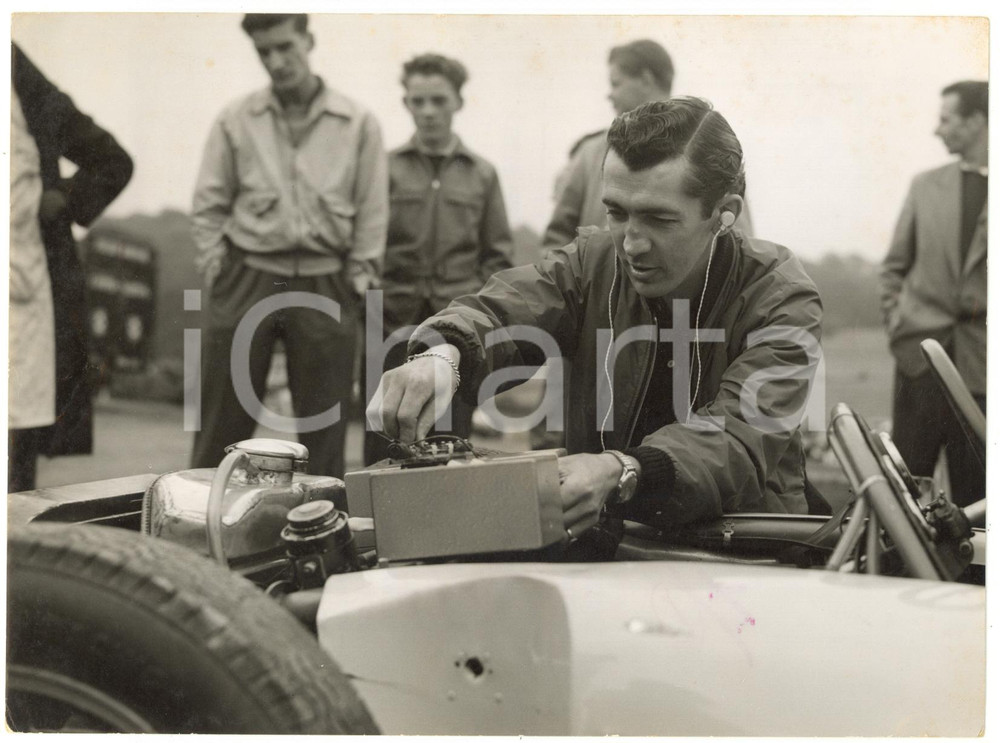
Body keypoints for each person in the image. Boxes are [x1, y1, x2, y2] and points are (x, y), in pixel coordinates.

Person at [368, 98, 823, 538]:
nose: (631, 244)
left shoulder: (780, 295)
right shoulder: (591, 262)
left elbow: (741, 438)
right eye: (616, 213)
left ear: (726, 213)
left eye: (659, 220)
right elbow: (506, 306)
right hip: (607, 537)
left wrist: (622, 469)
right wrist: (444, 352)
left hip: (744, 545)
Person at [190, 13, 389, 477]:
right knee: (221, 418)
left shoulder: (357, 122)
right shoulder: (236, 119)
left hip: (326, 278)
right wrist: (215, 262)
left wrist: (360, 270)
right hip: (249, 273)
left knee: (325, 427)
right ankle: (198, 528)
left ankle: (324, 536)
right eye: (264, 52)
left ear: (309, 40)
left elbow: (372, 207)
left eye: (286, 47)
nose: (277, 61)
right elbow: (209, 203)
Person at [363, 53, 513, 464]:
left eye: (438, 100)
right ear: (406, 103)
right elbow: (367, 243)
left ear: (458, 102)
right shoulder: (384, 168)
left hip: (453, 333)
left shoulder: (482, 173)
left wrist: (469, 312)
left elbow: (497, 255)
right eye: (418, 101)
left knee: (451, 444)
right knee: (384, 439)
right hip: (392, 327)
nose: (428, 112)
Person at [9, 44, 134, 493]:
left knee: (14, 453)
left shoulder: (22, 81)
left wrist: (61, 199)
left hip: (20, 296)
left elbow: (112, 161)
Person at [880, 80, 988, 507]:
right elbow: (892, 268)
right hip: (919, 362)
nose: (936, 129)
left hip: (983, 373)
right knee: (905, 495)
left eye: (946, 119)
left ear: (977, 121)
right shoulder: (925, 187)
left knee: (976, 503)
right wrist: (897, 324)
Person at [543, 39, 751, 250]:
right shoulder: (590, 153)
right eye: (615, 212)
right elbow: (556, 241)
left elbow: (737, 242)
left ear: (645, 79)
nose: (609, 94)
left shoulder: (712, 150)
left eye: (616, 83)